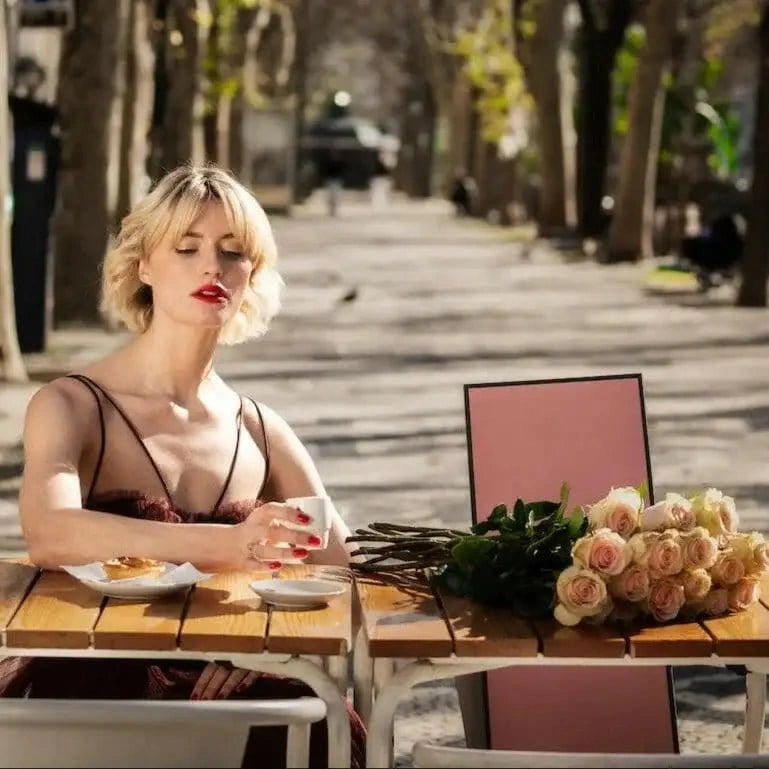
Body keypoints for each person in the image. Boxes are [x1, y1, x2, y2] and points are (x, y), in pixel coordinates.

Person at [0, 165, 365, 768]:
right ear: (143, 265)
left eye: (233, 252)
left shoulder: (262, 430)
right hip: (98, 689)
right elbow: (50, 534)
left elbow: (341, 575)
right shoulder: (69, 405)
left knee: (312, 711)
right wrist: (231, 544)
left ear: (252, 275)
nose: (211, 268)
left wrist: (268, 653)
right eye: (187, 247)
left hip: (238, 689)